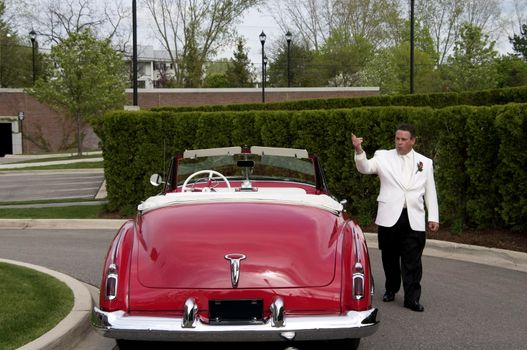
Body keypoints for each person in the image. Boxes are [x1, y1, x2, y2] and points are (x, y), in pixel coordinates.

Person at [352, 123, 439, 312]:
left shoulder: (425, 162)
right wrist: (359, 150)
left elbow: (430, 191)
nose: (399, 143)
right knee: (389, 257)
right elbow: (365, 168)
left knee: (413, 261)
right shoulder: (382, 156)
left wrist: (433, 217)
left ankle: (412, 299)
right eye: (397, 139)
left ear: (412, 141)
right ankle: (391, 289)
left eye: (403, 139)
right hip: (389, 216)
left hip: (414, 217)